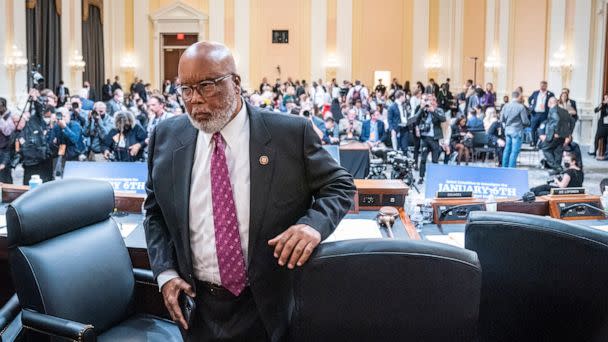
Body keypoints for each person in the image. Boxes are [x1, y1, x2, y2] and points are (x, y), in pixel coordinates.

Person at [143, 41, 355, 341]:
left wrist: (312, 226)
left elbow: (340, 185)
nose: (195, 100)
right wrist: (165, 273)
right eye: (185, 89)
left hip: (271, 306)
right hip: (197, 308)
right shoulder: (165, 137)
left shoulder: (289, 134)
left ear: (236, 83)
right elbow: (154, 213)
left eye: (206, 85)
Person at [414, 95, 446, 184]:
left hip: (434, 138)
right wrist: (422, 108)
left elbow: (443, 119)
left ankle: (434, 178)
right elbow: (416, 118)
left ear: (435, 102)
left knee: (435, 160)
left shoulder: (439, 110)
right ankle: (421, 177)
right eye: (428, 100)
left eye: (431, 100)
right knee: (423, 159)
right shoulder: (424, 110)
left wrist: (433, 111)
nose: (429, 102)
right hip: (424, 138)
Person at [539, 97, 571, 174]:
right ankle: (557, 170)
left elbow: (556, 120)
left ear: (550, 103)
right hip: (563, 135)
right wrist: (567, 133)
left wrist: (556, 132)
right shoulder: (565, 111)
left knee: (545, 148)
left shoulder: (553, 110)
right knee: (558, 151)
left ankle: (557, 167)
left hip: (555, 135)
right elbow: (571, 122)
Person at [501, 91, 530, 168]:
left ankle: (504, 167)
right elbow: (525, 121)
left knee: (507, 150)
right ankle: (511, 169)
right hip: (517, 131)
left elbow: (501, 119)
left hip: (507, 130)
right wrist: (528, 123)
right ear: (518, 97)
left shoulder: (505, 106)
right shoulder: (521, 107)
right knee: (514, 151)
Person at [527, 81, 554, 147]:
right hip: (535, 114)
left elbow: (553, 102)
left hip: (544, 114)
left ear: (546, 86)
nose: (542, 87)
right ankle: (533, 142)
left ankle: (541, 143)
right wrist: (531, 106)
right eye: (541, 85)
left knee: (542, 129)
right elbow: (529, 99)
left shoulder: (550, 94)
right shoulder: (535, 93)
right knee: (533, 128)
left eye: (544, 85)